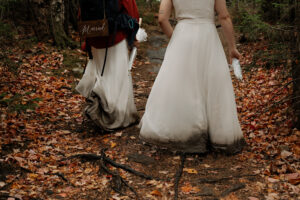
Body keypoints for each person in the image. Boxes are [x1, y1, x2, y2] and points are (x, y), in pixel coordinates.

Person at [139, 0, 246, 154]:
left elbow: (162, 19)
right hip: (207, 37)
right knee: (211, 82)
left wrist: (175, 38)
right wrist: (232, 48)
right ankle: (219, 136)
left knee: (181, 83)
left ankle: (184, 133)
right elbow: (224, 17)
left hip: (183, 35)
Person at [76, 0, 139, 131]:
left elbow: (81, 14)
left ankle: (101, 107)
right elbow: (131, 11)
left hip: (94, 35)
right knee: (117, 77)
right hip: (115, 37)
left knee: (101, 73)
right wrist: (133, 34)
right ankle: (118, 116)